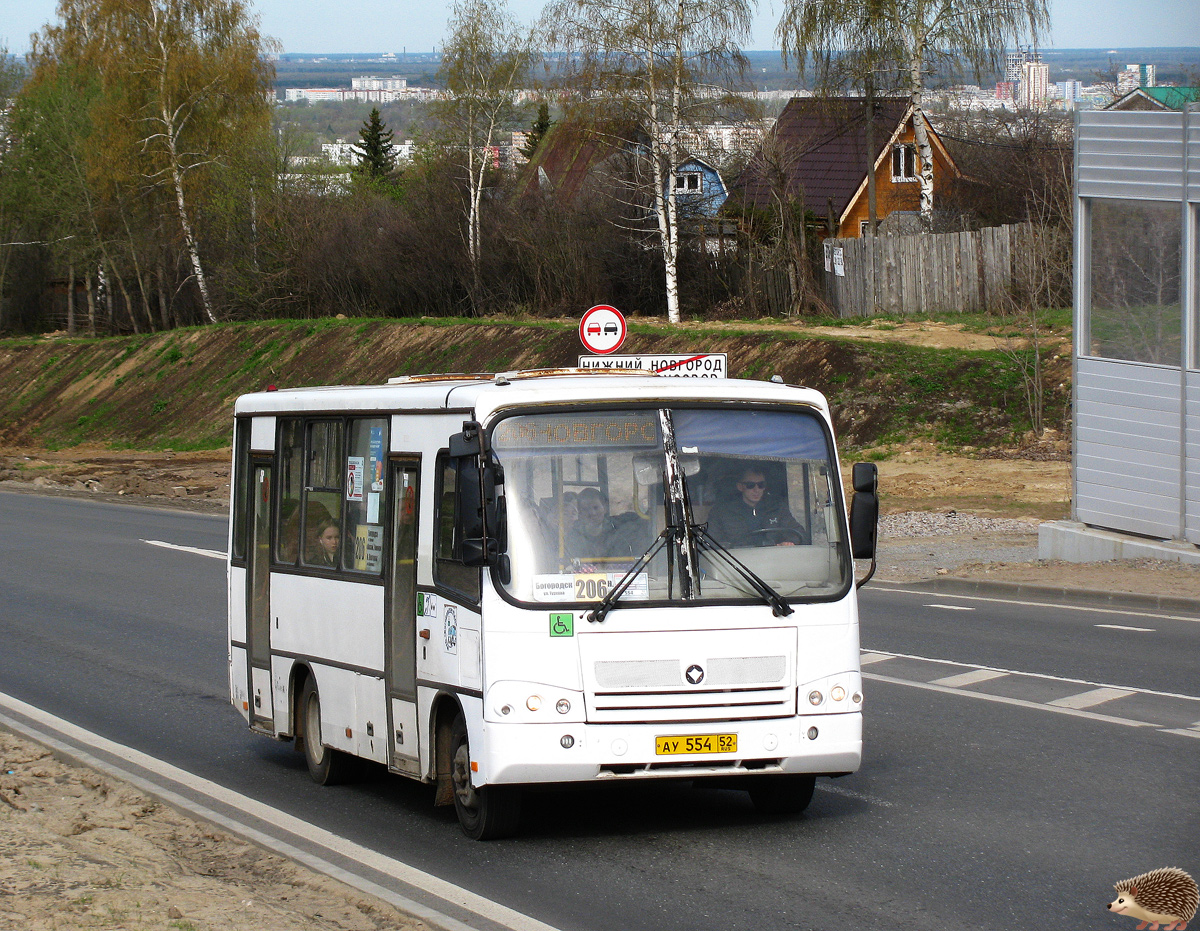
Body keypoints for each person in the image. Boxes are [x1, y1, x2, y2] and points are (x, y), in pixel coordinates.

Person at [706, 465, 806, 548]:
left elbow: (798, 532)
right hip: (739, 563)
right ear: (740, 487)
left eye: (761, 485)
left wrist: (789, 542)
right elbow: (710, 542)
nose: (756, 490)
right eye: (750, 485)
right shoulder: (721, 512)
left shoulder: (777, 508)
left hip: (774, 561)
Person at [566, 487, 647, 566]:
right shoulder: (572, 536)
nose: (592, 513)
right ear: (579, 512)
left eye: (596, 507)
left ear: (604, 508)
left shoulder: (620, 529)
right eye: (586, 509)